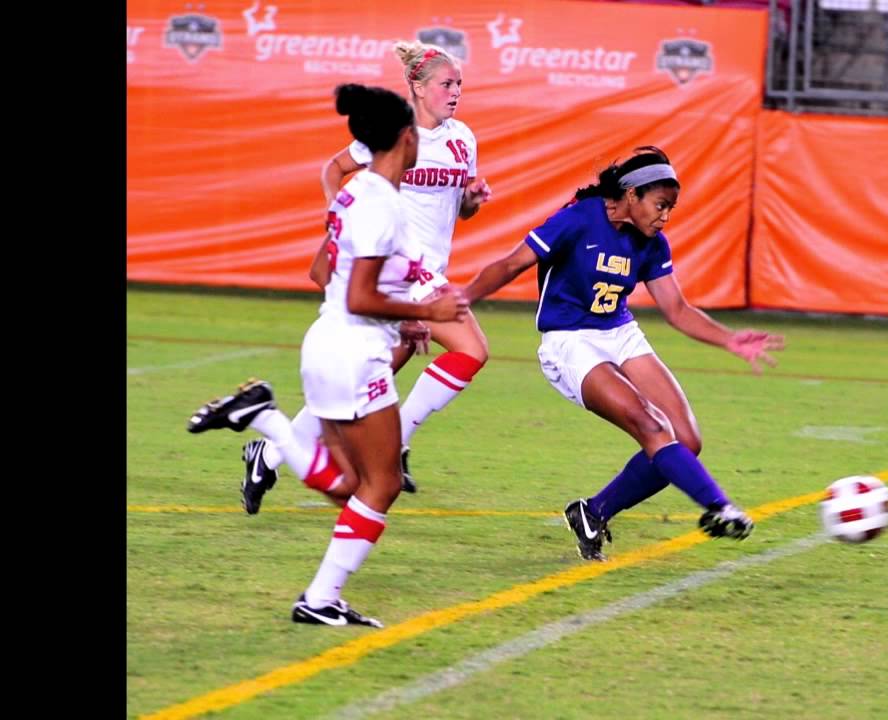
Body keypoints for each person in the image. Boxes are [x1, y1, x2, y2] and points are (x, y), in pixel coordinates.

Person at [188, 83, 470, 625]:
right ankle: (317, 598)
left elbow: (330, 276)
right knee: (380, 483)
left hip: (333, 344)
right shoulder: (382, 205)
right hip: (354, 351)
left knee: (350, 487)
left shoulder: (356, 192)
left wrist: (404, 317)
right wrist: (427, 314)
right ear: (405, 139)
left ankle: (266, 421)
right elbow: (360, 294)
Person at [461, 147, 786, 561]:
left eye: (671, 207)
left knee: (686, 440)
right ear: (631, 194)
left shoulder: (652, 243)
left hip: (619, 331)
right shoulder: (579, 219)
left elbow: (678, 310)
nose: (665, 215)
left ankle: (593, 512)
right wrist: (462, 297)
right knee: (651, 426)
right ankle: (719, 507)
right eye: (660, 205)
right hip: (569, 340)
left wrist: (729, 339)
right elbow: (511, 264)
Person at [241, 39, 493, 509]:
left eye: (459, 84)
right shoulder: (394, 132)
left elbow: (459, 210)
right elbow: (333, 171)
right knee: (472, 350)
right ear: (417, 87)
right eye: (446, 83)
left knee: (356, 389)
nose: (455, 91)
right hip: (401, 276)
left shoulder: (463, 138)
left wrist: (472, 201)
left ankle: (270, 453)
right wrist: (341, 216)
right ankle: (395, 443)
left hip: (428, 270)